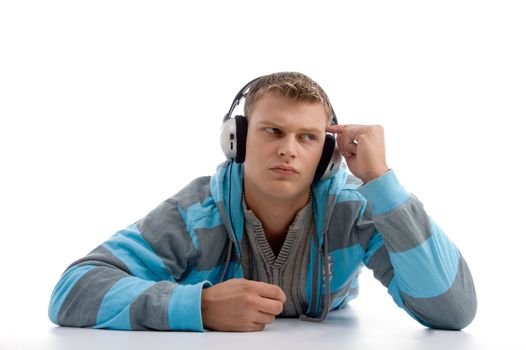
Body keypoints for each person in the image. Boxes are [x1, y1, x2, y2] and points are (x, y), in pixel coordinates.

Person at [48, 72, 477, 332]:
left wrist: (381, 182)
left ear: (326, 154)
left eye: (308, 137)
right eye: (272, 131)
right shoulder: (195, 214)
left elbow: (453, 310)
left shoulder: (355, 211)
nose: (289, 149)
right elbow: (72, 290)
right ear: (236, 141)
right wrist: (199, 307)